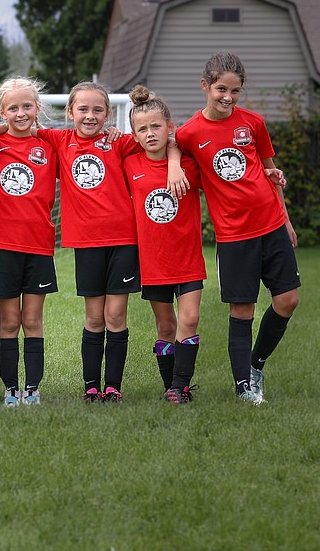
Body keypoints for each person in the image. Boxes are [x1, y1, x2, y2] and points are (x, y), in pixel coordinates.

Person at [0, 81, 184, 403]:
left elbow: (167, 142)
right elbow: (16, 125)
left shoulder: (119, 142)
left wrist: (174, 163)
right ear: (69, 112)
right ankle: (91, 386)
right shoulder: (59, 140)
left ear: (108, 114)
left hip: (123, 242)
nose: (90, 116)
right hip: (87, 243)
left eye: (97, 110)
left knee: (116, 317)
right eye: (83, 109)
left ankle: (113, 387)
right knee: (94, 318)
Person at [175, 53, 299, 404]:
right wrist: (172, 165)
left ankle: (256, 365)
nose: (228, 97)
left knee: (288, 301)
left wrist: (286, 221)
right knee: (242, 311)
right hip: (233, 236)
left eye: (235, 91)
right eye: (221, 89)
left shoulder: (254, 123)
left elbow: (271, 172)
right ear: (205, 86)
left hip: (272, 225)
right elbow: (171, 149)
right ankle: (243, 386)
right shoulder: (189, 133)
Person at [0, 78, 59, 407]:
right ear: (2, 111)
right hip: (4, 246)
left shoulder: (51, 145)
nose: (21, 112)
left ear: (37, 108)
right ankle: (11, 388)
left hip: (39, 245)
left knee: (32, 320)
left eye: (27, 106)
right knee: (10, 321)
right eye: (12, 107)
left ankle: (33, 388)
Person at [123, 85, 204, 404]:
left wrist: (174, 159)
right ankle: (170, 384)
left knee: (190, 319)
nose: (150, 133)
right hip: (154, 261)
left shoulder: (188, 165)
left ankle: (180, 386)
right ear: (134, 135)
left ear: (170, 127)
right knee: (166, 324)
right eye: (142, 129)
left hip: (187, 258)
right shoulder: (129, 164)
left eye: (156, 126)